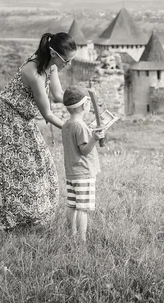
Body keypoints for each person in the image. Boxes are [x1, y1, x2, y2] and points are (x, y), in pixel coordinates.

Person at [0, 32, 77, 231]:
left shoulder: (52, 65)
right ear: (54, 53)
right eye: (67, 60)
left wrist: (80, 102)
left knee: (43, 167)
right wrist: (72, 128)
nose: (69, 64)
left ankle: (33, 219)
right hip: (7, 120)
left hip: (24, 120)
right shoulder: (34, 72)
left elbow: (57, 96)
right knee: (19, 171)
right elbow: (47, 114)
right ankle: (14, 219)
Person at [61, 85, 105, 242]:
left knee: (72, 205)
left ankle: (71, 234)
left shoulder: (66, 125)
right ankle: (81, 239)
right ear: (85, 105)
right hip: (83, 173)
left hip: (71, 173)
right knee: (83, 209)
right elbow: (84, 150)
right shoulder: (81, 127)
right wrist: (94, 138)